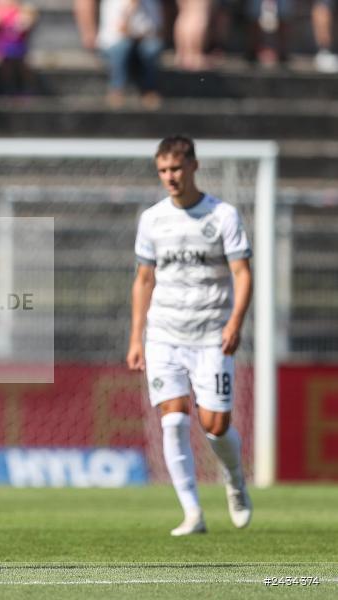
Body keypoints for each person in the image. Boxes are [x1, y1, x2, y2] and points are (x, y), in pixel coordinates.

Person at [127, 135, 253, 536]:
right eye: (163, 170)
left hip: (212, 335)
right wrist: (136, 337)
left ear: (194, 167)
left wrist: (235, 323)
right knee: (173, 421)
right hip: (164, 334)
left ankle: (234, 478)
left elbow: (242, 274)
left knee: (215, 425)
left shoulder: (223, 216)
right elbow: (144, 279)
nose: (170, 177)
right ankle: (193, 512)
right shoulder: (152, 219)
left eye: (176, 169)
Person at [96, 0, 164, 109]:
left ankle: (149, 90)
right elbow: (119, 31)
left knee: (152, 48)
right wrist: (129, 11)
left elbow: (155, 30)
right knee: (122, 48)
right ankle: (117, 90)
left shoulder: (151, 2)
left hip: (140, 44)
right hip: (115, 44)